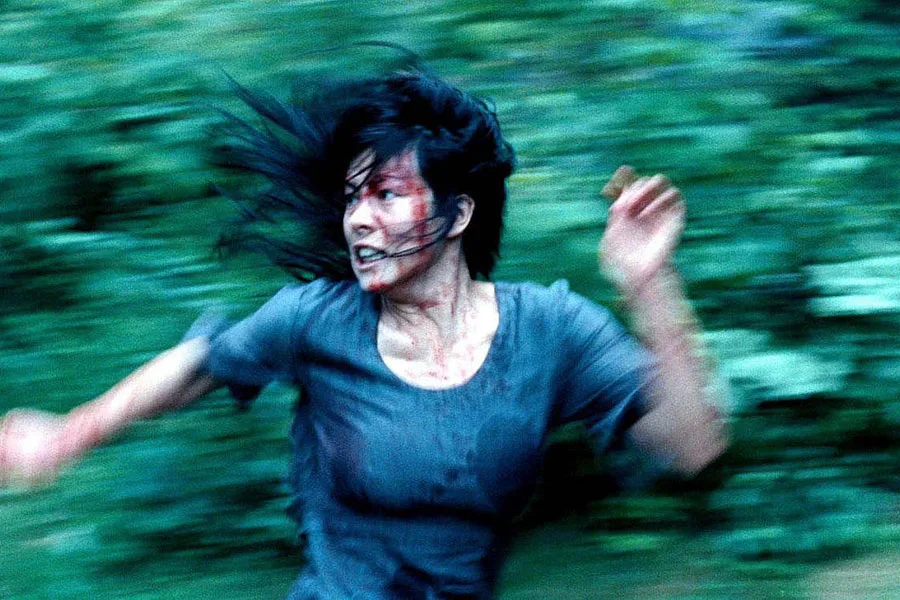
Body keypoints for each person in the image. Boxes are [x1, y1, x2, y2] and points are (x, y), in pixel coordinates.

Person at [0, 68, 726, 599]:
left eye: (385, 194)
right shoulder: (317, 319)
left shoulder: (549, 331)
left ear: (458, 213)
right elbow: (203, 363)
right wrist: (71, 433)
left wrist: (649, 283)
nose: (357, 219)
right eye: (352, 198)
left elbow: (694, 447)